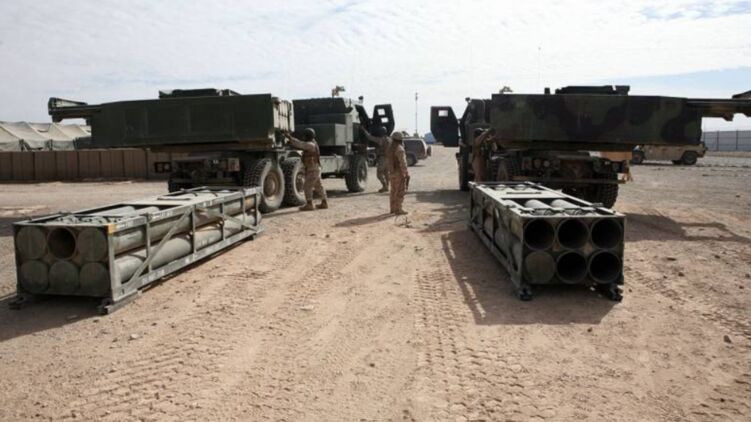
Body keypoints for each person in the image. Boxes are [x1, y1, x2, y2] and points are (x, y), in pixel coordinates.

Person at [284, 128, 328, 211]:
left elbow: (300, 144)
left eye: (305, 136)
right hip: (315, 168)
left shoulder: (310, 145)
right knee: (318, 186)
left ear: (308, 136)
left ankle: (309, 204)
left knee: (307, 186)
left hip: (312, 169)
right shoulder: (313, 143)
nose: (303, 137)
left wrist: (290, 137)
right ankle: (324, 202)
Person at [362, 126, 391, 192]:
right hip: (389, 158)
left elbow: (369, 137)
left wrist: (364, 130)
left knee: (379, 174)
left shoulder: (380, 139)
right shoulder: (389, 139)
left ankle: (384, 186)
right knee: (386, 173)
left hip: (382, 158)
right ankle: (387, 187)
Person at [388, 132, 410, 215]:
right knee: (400, 191)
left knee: (393, 191)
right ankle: (399, 209)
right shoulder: (399, 148)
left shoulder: (390, 148)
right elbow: (403, 162)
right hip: (398, 172)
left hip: (391, 172)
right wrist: (406, 173)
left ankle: (393, 208)